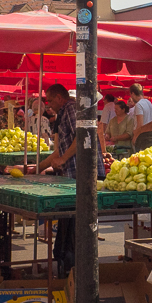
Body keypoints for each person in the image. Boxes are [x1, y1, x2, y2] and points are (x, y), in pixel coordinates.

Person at [37, 83, 102, 274]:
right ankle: (69, 262)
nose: (48, 105)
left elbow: (82, 137)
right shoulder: (64, 113)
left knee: (77, 222)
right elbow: (60, 150)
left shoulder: (72, 109)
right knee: (70, 221)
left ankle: (77, 267)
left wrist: (64, 159)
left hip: (80, 173)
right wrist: (37, 167)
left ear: (59, 97)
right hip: (72, 173)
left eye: (49, 100)